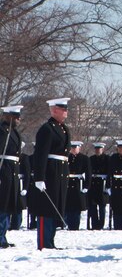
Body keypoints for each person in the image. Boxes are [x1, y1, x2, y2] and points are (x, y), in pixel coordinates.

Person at [30, 97, 71, 250]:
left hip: (61, 172)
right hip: (50, 172)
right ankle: (44, 243)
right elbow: (40, 155)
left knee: (56, 207)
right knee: (46, 208)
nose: (66, 111)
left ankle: (50, 241)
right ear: (54, 110)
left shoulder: (63, 128)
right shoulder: (47, 129)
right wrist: (39, 177)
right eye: (63, 108)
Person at [0, 104, 24, 248]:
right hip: (4, 170)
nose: (18, 120)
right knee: (2, 205)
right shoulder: (2, 131)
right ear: (8, 117)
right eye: (16, 117)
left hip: (12, 171)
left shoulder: (14, 132)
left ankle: (3, 235)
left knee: (8, 206)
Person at [63, 141, 88, 230]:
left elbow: (88, 173)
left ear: (79, 148)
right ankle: (67, 224)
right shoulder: (66, 158)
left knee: (77, 207)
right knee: (68, 206)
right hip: (68, 183)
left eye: (75, 148)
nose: (73, 149)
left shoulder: (84, 158)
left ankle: (75, 225)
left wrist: (86, 186)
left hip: (78, 184)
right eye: (72, 148)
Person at [87, 142, 109, 230]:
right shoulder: (91, 159)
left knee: (102, 206)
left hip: (102, 184)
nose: (97, 150)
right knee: (93, 206)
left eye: (99, 149)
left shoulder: (107, 159)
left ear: (102, 149)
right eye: (96, 149)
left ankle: (101, 224)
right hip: (93, 184)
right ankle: (94, 224)